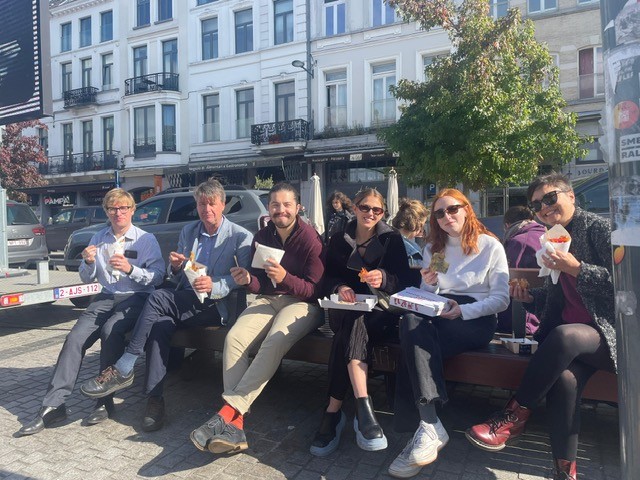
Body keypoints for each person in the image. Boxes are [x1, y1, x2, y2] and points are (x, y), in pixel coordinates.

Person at [465, 173, 616, 480]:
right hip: (575, 342)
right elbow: (559, 295)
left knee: (564, 335)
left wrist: (577, 268)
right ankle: (564, 472)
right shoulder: (552, 237)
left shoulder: (598, 229)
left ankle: (513, 416)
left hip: (610, 336)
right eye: (536, 205)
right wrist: (530, 296)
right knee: (564, 382)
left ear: (570, 196)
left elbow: (626, 285)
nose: (544, 208)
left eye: (550, 198)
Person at [79, 179, 253, 431]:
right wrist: (177, 267)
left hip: (215, 306)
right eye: (201, 204)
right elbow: (177, 276)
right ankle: (155, 400)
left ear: (222, 205)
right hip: (185, 300)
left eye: (212, 204)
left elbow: (244, 278)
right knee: (159, 325)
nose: (207, 209)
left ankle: (125, 364)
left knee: (158, 297)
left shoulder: (239, 236)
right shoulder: (189, 231)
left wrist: (214, 284)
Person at [189, 182, 325, 454]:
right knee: (235, 338)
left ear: (298, 207)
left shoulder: (311, 239)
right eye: (275, 205)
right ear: (268, 208)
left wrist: (285, 278)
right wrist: (248, 280)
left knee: (274, 340)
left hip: (304, 304)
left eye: (287, 205)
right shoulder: (262, 236)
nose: (281, 210)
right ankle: (236, 426)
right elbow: (260, 283)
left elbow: (315, 289)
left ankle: (229, 411)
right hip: (269, 299)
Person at [17, 188, 166, 436]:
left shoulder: (146, 239)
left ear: (132, 210)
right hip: (105, 296)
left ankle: (104, 401)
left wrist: (131, 269)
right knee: (74, 339)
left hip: (136, 296)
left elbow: (158, 276)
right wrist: (87, 262)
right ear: (106, 211)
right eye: (112, 208)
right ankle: (54, 405)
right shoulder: (98, 237)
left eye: (123, 208)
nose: (118, 213)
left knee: (110, 332)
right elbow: (87, 278)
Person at [389, 188, 509, 478]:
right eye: (439, 213)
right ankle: (429, 424)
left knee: (414, 348)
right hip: (441, 311)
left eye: (453, 209)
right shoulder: (435, 248)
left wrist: (463, 311)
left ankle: (423, 430)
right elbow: (431, 291)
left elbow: (501, 299)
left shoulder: (489, 246)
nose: (446, 216)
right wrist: (429, 283)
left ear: (467, 209)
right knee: (410, 322)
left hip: (476, 317)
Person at [310, 188, 414, 457]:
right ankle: (363, 411)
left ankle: (334, 412)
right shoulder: (338, 239)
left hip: (381, 313)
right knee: (352, 320)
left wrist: (384, 278)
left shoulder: (391, 239)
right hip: (344, 310)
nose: (370, 213)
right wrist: (341, 286)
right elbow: (326, 278)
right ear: (354, 208)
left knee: (348, 332)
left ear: (383, 213)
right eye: (365, 207)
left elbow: (405, 282)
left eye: (377, 210)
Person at [496, 206, 545, 334]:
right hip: (545, 314)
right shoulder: (548, 235)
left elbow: (512, 280)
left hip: (523, 321)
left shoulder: (518, 242)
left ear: (507, 225)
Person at [391, 198, 429, 282]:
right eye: (422, 224)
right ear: (418, 223)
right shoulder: (411, 251)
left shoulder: (387, 238)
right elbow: (419, 279)